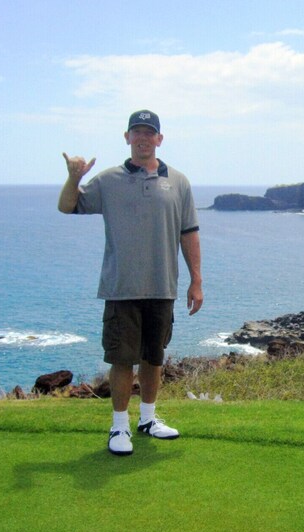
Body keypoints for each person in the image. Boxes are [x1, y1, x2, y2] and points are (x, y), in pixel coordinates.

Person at [59, 109, 203, 456]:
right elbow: (67, 206)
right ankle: (119, 426)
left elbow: (189, 233)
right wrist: (74, 178)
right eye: (136, 132)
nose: (143, 138)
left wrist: (196, 280)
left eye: (149, 132)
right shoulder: (109, 180)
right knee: (122, 359)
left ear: (159, 139)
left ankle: (148, 420)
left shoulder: (179, 182)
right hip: (121, 287)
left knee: (154, 358)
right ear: (127, 138)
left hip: (162, 286)